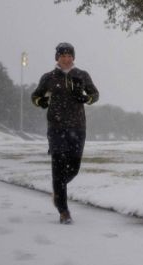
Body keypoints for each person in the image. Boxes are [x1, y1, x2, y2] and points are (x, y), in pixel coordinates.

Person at [31, 42, 99, 224]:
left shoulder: (82, 75)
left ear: (73, 58)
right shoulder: (49, 77)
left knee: (74, 168)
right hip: (56, 128)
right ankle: (63, 211)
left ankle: (58, 188)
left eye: (69, 56)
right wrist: (42, 102)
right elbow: (35, 96)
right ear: (57, 58)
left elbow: (95, 94)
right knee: (58, 168)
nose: (66, 59)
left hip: (78, 127)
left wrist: (86, 98)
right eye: (63, 56)